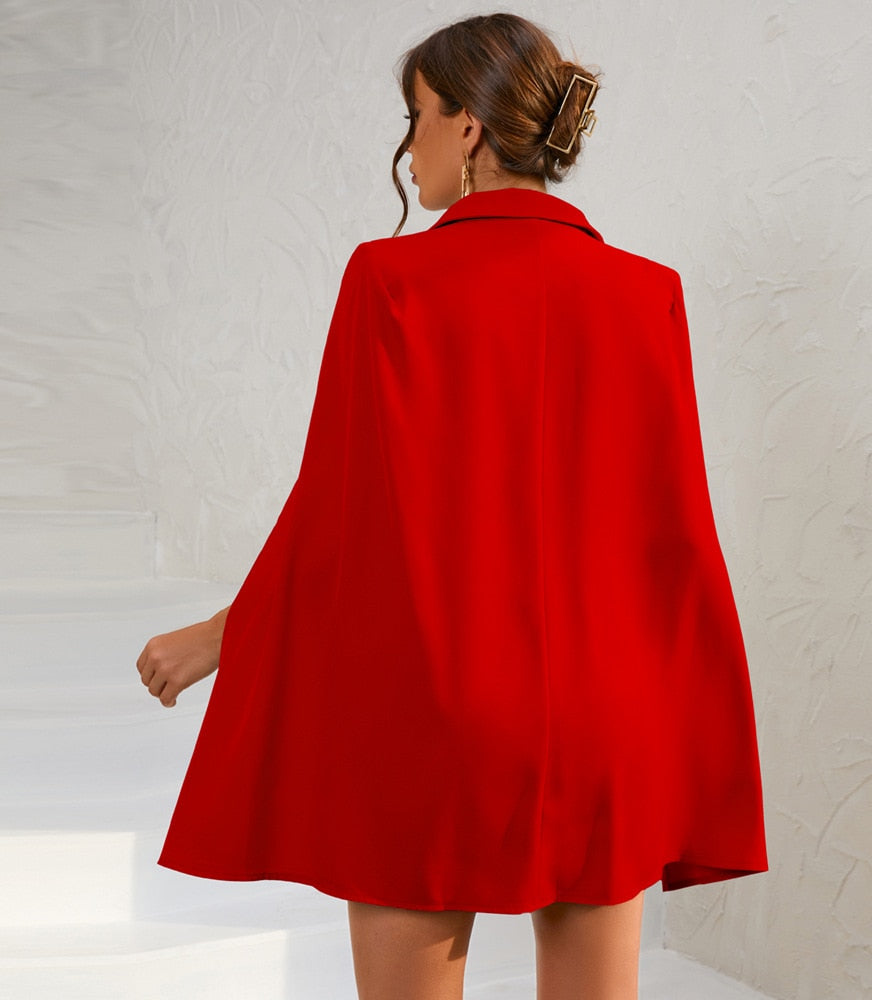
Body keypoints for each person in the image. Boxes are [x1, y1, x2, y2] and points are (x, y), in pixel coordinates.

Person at [136, 12, 767, 1000]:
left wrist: (219, 637)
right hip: (605, 717)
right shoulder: (648, 293)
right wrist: (691, 721)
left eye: (416, 115)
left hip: (436, 714)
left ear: (467, 127)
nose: (409, 145)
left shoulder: (389, 280)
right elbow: (671, 531)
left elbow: (338, 511)